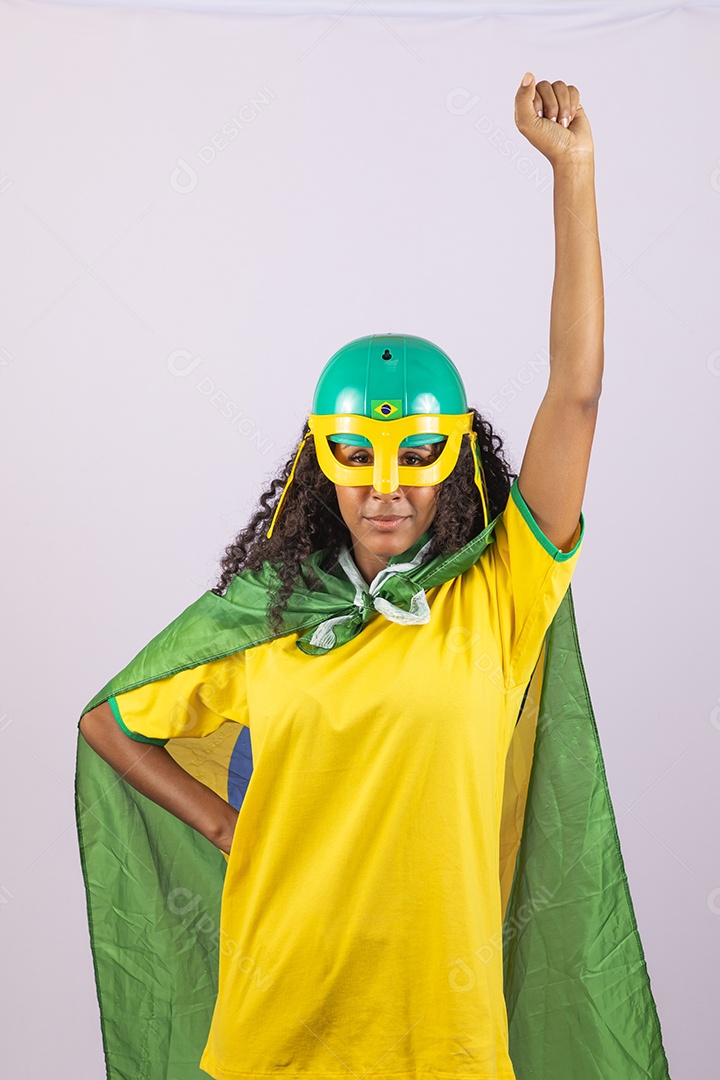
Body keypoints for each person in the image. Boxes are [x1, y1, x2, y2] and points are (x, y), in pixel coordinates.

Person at [76, 74, 671, 1080]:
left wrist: (574, 173)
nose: (386, 489)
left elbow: (577, 392)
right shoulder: (265, 618)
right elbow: (110, 721)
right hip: (274, 1028)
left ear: (461, 462)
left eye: (414, 458)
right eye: (356, 458)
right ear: (320, 462)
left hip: (441, 1037)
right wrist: (225, 823)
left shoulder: (498, 599)